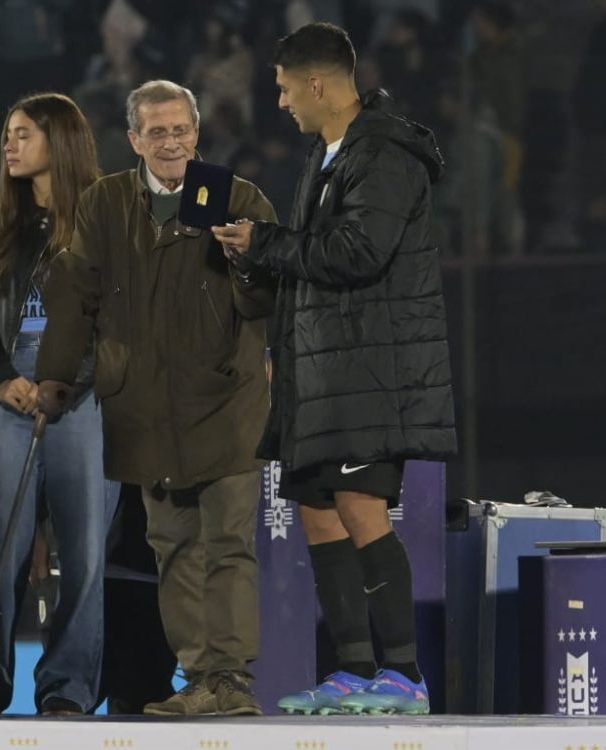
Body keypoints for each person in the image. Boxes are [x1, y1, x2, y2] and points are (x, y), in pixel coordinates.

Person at [212, 22, 456, 716]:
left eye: (287, 90)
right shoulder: (327, 157)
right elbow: (310, 263)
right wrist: (255, 258)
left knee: (359, 507)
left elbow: (356, 253)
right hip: (320, 375)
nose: (283, 104)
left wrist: (268, 241)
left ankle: (405, 673)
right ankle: (353, 668)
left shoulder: (382, 153)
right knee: (318, 513)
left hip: (368, 372)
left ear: (317, 84)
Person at [35, 80, 277, 716]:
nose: (171, 142)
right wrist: (56, 376)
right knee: (173, 547)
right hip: (142, 405)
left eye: (181, 130)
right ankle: (201, 679)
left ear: (197, 134)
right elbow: (75, 290)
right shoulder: (105, 201)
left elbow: (270, 299)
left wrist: (249, 261)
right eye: (157, 131)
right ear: (134, 139)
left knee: (228, 542)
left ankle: (232, 679)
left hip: (227, 401)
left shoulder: (235, 197)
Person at [0, 93, 119, 716]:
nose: (10, 144)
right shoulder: (1, 225)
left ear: (60, 141)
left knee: (83, 552)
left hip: (82, 400)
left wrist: (68, 379)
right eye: (7, 132)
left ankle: (67, 691)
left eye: (24, 133)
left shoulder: (107, 218)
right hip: (10, 400)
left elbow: (121, 318)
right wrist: (0, 379)